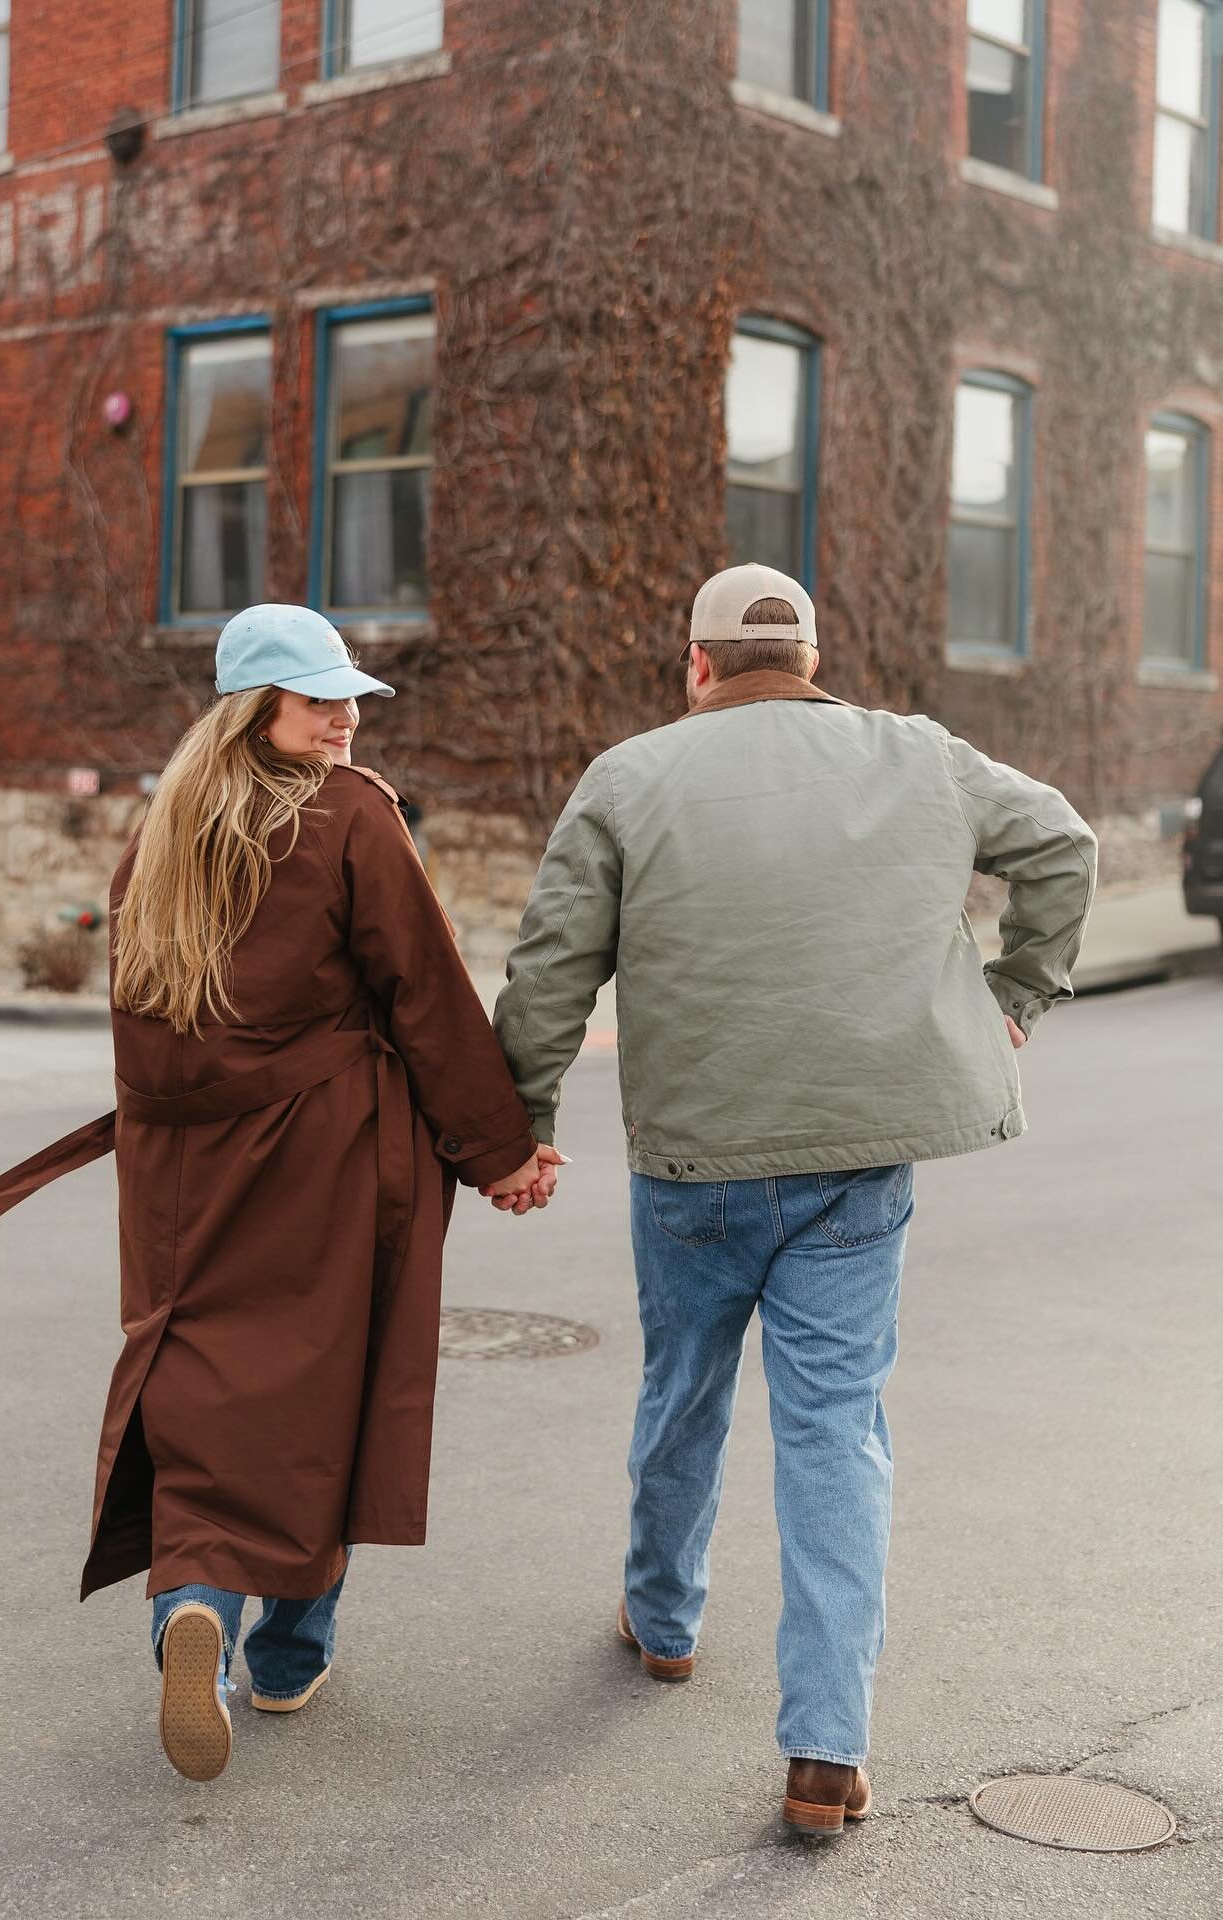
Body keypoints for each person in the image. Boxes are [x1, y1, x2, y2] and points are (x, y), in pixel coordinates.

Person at [0, 604, 562, 1783]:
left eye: (352, 698)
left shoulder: (157, 839)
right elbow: (427, 996)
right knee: (329, 1391)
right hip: (332, 1160)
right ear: (260, 709)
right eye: (320, 701)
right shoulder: (353, 819)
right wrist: (498, 1151)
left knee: (201, 1386)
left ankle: (192, 1603)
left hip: (182, 1176)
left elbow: (143, 1037)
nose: (347, 720)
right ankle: (290, 1653)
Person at [492, 563, 1097, 1833]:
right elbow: (1064, 847)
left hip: (695, 1163)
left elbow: (550, 970)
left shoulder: (631, 778)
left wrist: (523, 1125)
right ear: (813, 662)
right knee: (836, 1433)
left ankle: (664, 1620)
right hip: (858, 1162)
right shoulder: (920, 755)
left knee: (684, 1388)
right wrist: (1018, 996)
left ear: (696, 664)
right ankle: (826, 1748)